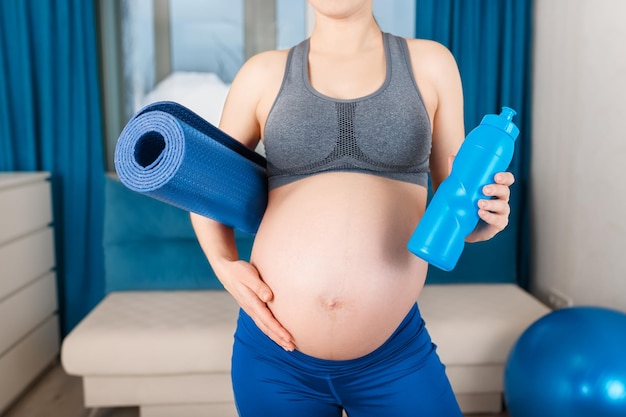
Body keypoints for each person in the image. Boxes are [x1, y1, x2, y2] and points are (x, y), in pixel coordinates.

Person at [191, 1, 515, 415]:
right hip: (273, 357)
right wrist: (223, 264)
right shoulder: (261, 73)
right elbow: (203, 180)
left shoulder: (432, 63)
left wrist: (486, 220)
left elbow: (459, 201)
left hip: (394, 354)